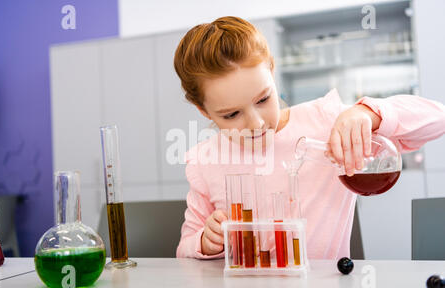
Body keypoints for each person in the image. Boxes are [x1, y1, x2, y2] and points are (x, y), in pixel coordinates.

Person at [173, 16, 445, 259]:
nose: (256, 123)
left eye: (264, 99)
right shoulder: (206, 160)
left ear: (271, 70)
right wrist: (205, 242)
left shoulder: (326, 123)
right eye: (231, 115)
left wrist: (366, 113)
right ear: (203, 110)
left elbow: (438, 119)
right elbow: (185, 247)